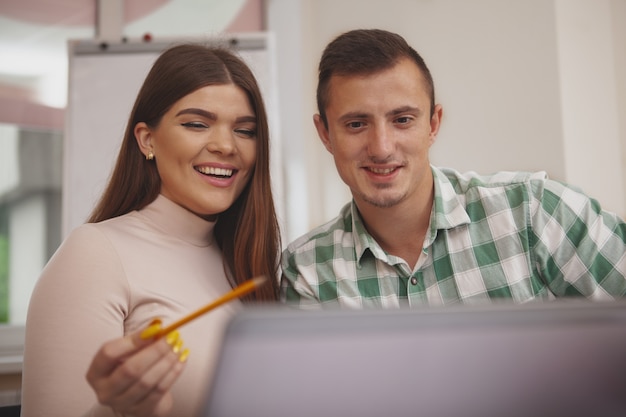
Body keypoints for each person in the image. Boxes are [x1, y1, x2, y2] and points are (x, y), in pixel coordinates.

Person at [21, 43, 281, 417]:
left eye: (245, 130)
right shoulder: (94, 254)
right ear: (147, 140)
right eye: (196, 124)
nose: (226, 145)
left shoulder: (246, 260)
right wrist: (120, 409)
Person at [281, 28, 626, 308]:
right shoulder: (308, 272)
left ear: (433, 124)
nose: (382, 148)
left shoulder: (535, 212)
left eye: (402, 120)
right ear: (325, 134)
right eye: (356, 124)